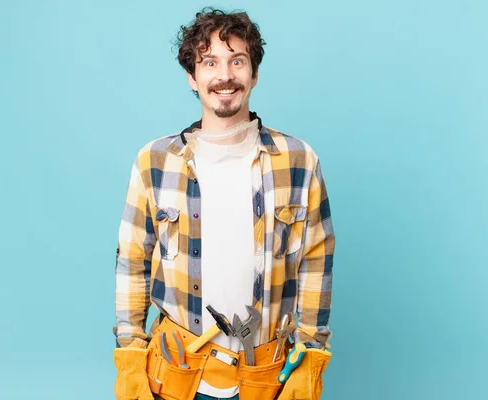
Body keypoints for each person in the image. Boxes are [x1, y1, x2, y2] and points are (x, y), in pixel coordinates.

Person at [112, 7, 335, 400]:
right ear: (192, 77)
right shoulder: (155, 161)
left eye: (237, 60)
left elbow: (316, 261)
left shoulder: (299, 160)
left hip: (269, 376)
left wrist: (311, 353)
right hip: (177, 373)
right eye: (209, 62)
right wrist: (130, 353)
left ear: (254, 73)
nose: (225, 75)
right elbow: (133, 262)